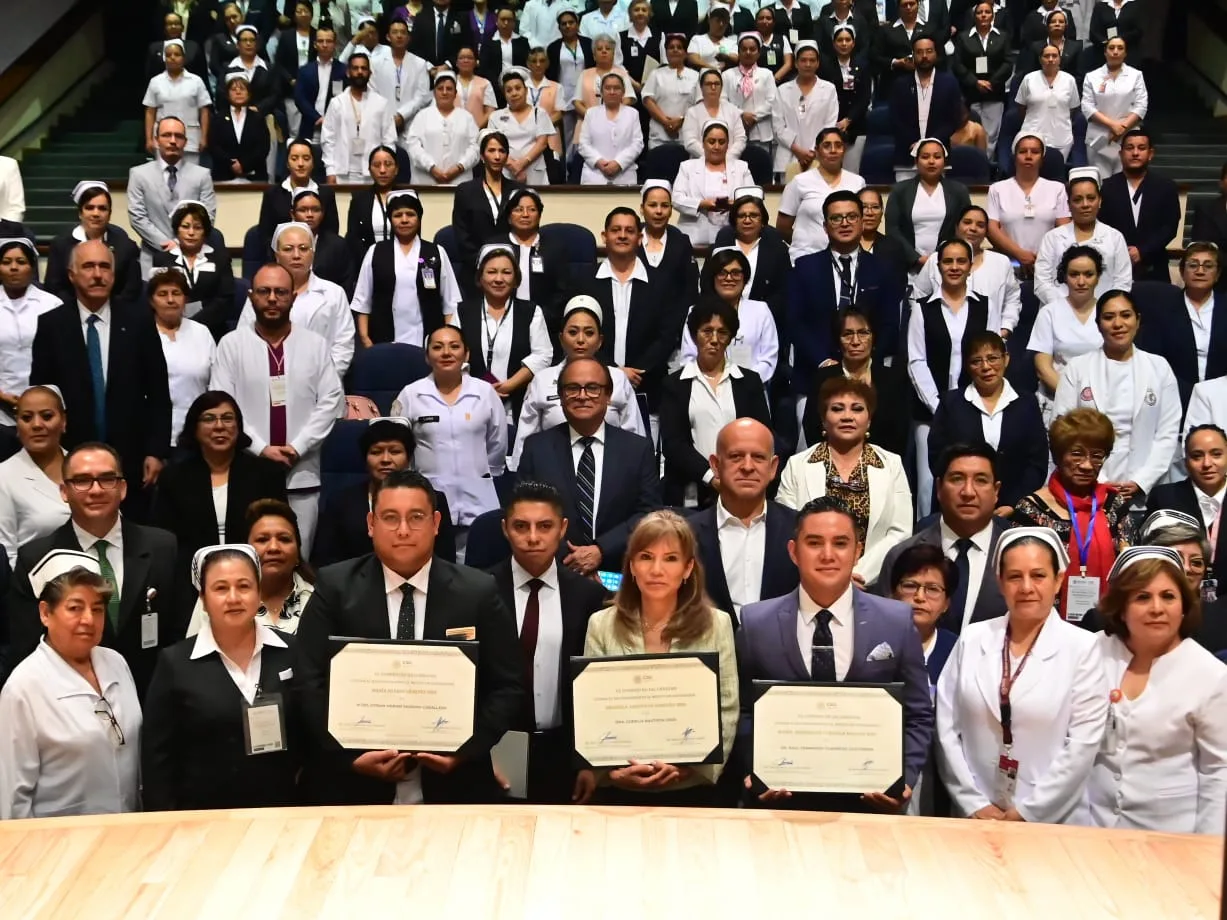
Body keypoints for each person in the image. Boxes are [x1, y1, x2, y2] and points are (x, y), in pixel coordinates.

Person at [297, 468, 523, 804]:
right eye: (390, 518)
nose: (403, 530)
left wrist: (465, 749)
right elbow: (308, 681)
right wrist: (350, 757)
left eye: (415, 517)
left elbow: (508, 685)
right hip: (354, 786)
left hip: (455, 787)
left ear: (435, 524)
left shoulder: (476, 591)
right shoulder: (335, 587)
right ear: (371, 524)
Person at [737, 496, 933, 812]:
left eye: (840, 543)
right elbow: (745, 711)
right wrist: (754, 770)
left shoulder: (895, 621)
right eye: (814, 543)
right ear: (793, 551)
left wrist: (904, 777)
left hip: (871, 804)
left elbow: (918, 713)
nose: (828, 555)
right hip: (781, 804)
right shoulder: (756, 622)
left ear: (858, 550)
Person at [935, 526, 1109, 822]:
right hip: (976, 817)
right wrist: (972, 802)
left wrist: (1028, 813)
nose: (1026, 587)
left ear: (1058, 580)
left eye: (1038, 575)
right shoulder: (973, 638)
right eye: (1015, 576)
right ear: (1000, 583)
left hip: (1054, 820)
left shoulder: (1083, 647)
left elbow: (1082, 745)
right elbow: (946, 728)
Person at [579, 510, 738, 806]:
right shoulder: (600, 624)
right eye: (646, 557)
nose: (656, 569)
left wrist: (691, 768)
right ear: (632, 567)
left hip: (691, 790)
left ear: (688, 568)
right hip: (620, 791)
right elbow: (591, 712)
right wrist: (611, 771)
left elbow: (727, 708)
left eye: (671, 559)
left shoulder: (718, 624)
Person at [5, 443, 180, 697]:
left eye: (107, 479)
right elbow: (27, 648)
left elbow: (177, 633)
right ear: (64, 491)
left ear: (122, 488)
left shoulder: (163, 546)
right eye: (82, 481)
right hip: (69, 704)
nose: (95, 490)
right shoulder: (36, 558)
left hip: (154, 698)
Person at [142, 543, 304, 810]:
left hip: (282, 814)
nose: (233, 597)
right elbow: (157, 760)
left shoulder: (292, 652)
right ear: (203, 599)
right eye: (220, 588)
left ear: (258, 592)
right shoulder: (175, 663)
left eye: (244, 586)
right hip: (203, 820)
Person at [1084, 545, 1227, 832]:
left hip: (1172, 839)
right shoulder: (1090, 653)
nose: (1157, 608)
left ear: (1184, 606)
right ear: (1121, 608)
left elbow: (1218, 771)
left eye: (1168, 596)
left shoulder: (1210, 675)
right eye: (1142, 597)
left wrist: (1207, 849)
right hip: (1090, 831)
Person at [30, 240, 173, 519]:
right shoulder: (51, 325)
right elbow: (42, 396)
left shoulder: (139, 322)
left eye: (104, 266)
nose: (98, 274)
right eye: (88, 266)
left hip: (130, 459)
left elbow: (158, 392)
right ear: (72, 275)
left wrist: (156, 451)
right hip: (70, 458)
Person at [487, 480, 609, 804]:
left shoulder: (588, 596)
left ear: (562, 528)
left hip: (565, 749)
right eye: (520, 526)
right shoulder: (478, 591)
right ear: (504, 528)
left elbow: (595, 685)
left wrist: (589, 759)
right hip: (498, 747)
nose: (532, 537)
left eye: (544, 526)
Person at [210, 264, 345, 557]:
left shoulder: (315, 345)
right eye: (264, 291)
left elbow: (332, 400)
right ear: (251, 297)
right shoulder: (231, 345)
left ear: (293, 297)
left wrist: (297, 447)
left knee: (298, 560)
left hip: (302, 474)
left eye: (280, 292)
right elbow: (223, 405)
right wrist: (260, 448)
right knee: (248, 559)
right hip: (247, 471)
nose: (272, 298)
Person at [0, 550, 141, 818]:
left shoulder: (116, 663)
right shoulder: (23, 688)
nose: (88, 619)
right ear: (45, 613)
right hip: (58, 845)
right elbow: (12, 799)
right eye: (75, 608)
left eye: (97, 609)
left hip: (127, 832)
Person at [517, 357, 661, 575]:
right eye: (572, 388)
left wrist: (601, 550)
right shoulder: (537, 448)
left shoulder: (637, 449)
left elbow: (648, 513)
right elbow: (524, 510)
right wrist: (571, 556)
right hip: (555, 569)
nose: (582, 396)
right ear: (561, 397)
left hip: (619, 572)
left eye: (592, 388)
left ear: (608, 396)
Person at [1053, 290, 1181, 510]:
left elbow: (1167, 433)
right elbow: (1061, 429)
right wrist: (1097, 480)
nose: (1118, 323)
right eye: (1109, 317)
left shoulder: (1159, 367)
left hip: (1146, 490)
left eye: (1126, 315)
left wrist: (1142, 481)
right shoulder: (1078, 368)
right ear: (1098, 324)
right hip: (1088, 488)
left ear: (1138, 320)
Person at [777, 378, 912, 585]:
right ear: (823, 419)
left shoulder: (892, 464)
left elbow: (900, 532)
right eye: (837, 409)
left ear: (868, 420)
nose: (847, 416)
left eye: (857, 409)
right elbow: (789, 528)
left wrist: (857, 576)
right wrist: (828, 575)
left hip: (870, 584)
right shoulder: (798, 465)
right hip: (811, 581)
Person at [1010, 409, 1137, 620]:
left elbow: (1130, 571)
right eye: (1077, 454)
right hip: (1045, 625)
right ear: (1059, 455)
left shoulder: (1115, 505)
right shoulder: (1030, 510)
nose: (1087, 465)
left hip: (1110, 625)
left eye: (1097, 456)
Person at [151, 390, 288, 584]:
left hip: (256, 575)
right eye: (208, 419)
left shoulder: (266, 473)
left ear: (238, 426)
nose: (219, 426)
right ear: (194, 429)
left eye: (227, 418)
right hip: (191, 578)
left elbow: (280, 529)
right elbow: (165, 538)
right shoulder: (174, 477)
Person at [391, 325, 506, 552]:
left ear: (466, 354)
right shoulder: (411, 394)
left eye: (454, 346)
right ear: (427, 356)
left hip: (479, 497)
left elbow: (497, 444)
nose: (446, 353)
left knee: (477, 569)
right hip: (428, 497)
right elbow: (399, 448)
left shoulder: (485, 392)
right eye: (437, 347)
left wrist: (481, 474)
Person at [879, 442, 1011, 631]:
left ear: (996, 491)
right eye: (957, 479)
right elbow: (884, 629)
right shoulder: (902, 554)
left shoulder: (1014, 557)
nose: (968, 492)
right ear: (939, 488)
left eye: (981, 480)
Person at [790, 194, 906, 405]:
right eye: (836, 218)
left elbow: (890, 324)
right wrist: (824, 362)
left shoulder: (883, 269)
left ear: (862, 222)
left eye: (852, 217)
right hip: (815, 376)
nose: (844, 223)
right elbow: (796, 323)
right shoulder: (805, 268)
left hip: (868, 378)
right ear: (825, 226)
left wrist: (866, 361)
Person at [907, 238, 994, 515]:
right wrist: (940, 406)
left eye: (961, 261)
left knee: (971, 479)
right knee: (928, 484)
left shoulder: (985, 306)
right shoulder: (922, 308)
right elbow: (916, 360)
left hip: (976, 408)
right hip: (929, 412)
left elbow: (989, 356)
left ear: (970, 267)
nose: (954, 267)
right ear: (938, 265)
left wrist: (967, 405)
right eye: (948, 261)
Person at [510, 295, 644, 471]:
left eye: (589, 333)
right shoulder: (542, 380)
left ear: (600, 341)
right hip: (551, 470)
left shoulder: (618, 379)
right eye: (573, 332)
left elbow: (634, 434)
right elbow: (525, 438)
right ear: (561, 338)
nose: (580, 340)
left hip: (612, 471)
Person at [661, 298, 771, 507]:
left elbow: (762, 434)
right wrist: (712, 477)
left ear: (730, 338)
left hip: (742, 486)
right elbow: (674, 444)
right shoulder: (674, 385)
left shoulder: (749, 382)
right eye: (707, 331)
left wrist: (735, 476)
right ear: (694, 336)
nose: (714, 339)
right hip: (691, 493)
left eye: (722, 332)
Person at [688, 418, 799, 620]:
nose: (747, 466)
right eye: (736, 456)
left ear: (773, 467)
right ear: (715, 465)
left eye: (758, 457)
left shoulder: (800, 530)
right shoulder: (687, 534)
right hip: (708, 647)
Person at [313, 417, 457, 567]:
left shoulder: (434, 499)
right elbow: (325, 561)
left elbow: (445, 561)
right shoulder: (340, 502)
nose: (385, 459)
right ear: (365, 459)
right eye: (376, 452)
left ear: (408, 458)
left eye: (395, 451)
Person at [929, 332, 1047, 512]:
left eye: (993, 358)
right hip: (962, 505)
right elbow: (938, 458)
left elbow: (1036, 462)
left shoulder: (1027, 403)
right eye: (976, 361)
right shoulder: (951, 404)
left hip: (1014, 509)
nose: (986, 367)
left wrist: (1015, 503)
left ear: (1006, 359)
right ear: (967, 366)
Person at [582, 208, 680, 411]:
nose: (623, 235)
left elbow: (667, 335)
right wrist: (614, 371)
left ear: (639, 238)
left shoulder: (662, 283)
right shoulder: (585, 282)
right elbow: (580, 333)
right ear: (604, 236)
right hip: (593, 384)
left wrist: (637, 372)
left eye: (629, 230)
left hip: (647, 386)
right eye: (616, 230)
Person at [237, 222, 355, 376]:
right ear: (277, 255)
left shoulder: (334, 293)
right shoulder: (261, 291)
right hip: (267, 380)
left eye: (304, 248)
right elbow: (244, 340)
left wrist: (324, 380)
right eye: (288, 249)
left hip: (322, 383)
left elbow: (343, 345)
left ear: (313, 253)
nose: (296, 255)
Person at [453, 245, 553, 421]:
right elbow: (454, 355)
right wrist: (481, 389)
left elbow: (543, 354)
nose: (499, 279)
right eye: (491, 272)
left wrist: (509, 386)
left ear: (516, 279)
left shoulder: (530, 311)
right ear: (480, 278)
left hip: (518, 403)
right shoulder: (462, 311)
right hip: (470, 401)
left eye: (506, 272)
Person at [352, 190, 461, 348]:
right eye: (398, 215)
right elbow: (363, 301)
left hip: (429, 342)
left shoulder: (436, 252)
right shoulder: (376, 251)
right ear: (390, 219)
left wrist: (447, 341)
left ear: (419, 218)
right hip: (383, 340)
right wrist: (365, 339)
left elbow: (450, 303)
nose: (404, 220)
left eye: (410, 214)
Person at [800, 306, 910, 457]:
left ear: (874, 337)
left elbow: (900, 433)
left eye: (864, 333)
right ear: (838, 340)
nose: (856, 341)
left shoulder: (893, 379)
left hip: (882, 464)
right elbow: (812, 428)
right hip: (831, 461)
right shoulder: (824, 378)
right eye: (847, 334)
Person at [911, 205, 1022, 339]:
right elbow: (918, 295)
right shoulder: (937, 258)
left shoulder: (1000, 262)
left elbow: (1012, 299)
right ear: (957, 227)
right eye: (967, 222)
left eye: (980, 225)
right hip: (941, 342)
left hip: (989, 344)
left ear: (986, 232)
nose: (973, 228)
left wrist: (1005, 329)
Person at [126, 116, 217, 274]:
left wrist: (182, 243)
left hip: (193, 259)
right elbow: (137, 216)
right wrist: (169, 244)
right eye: (167, 135)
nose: (173, 141)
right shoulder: (139, 174)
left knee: (193, 300)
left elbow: (208, 216)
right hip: (153, 258)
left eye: (179, 136)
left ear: (186, 142)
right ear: (156, 140)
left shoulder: (202, 175)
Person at [1028, 245, 1108, 419]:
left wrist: (1092, 401)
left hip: (1104, 402)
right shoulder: (1049, 312)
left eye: (1088, 274)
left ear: (1098, 277)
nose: (1081, 282)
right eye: (1074, 274)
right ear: (1065, 276)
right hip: (1058, 400)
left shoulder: (1108, 313)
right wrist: (1075, 399)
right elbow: (1043, 368)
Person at [679, 249, 779, 386]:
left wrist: (742, 385)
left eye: (736, 273)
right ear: (713, 278)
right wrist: (714, 383)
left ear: (745, 278)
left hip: (750, 391)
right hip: (706, 390)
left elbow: (768, 359)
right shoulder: (696, 311)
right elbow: (688, 358)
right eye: (722, 273)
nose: (729, 278)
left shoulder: (761, 311)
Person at [1143, 243, 1226, 407]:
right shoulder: (1161, 311)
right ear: (1182, 272)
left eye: (1208, 266)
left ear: (1217, 274)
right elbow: (1154, 361)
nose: (1200, 271)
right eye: (1193, 265)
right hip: (1174, 396)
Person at [1034, 168, 1133, 305]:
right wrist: (1065, 308)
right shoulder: (1052, 238)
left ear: (1100, 201)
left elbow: (1123, 282)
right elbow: (1042, 282)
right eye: (1078, 199)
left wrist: (1101, 309)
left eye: (1091, 198)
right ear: (1069, 205)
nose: (1085, 205)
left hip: (1103, 316)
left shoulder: (1114, 238)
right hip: (1057, 314)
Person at [0, 240, 62, 452]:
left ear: (32, 267)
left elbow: (62, 360)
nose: (14, 267)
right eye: (6, 262)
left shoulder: (51, 304)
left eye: (20, 261)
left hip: (45, 411)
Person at [1098, 128, 1182, 283]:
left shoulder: (1165, 186)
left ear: (1150, 154)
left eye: (1141, 148)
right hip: (1114, 267)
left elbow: (1169, 227)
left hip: (1154, 266)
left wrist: (1142, 251)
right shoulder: (1107, 187)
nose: (1135, 153)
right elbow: (1102, 225)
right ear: (1121, 154)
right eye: (1129, 148)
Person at [0, 387, 71, 567]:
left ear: (63, 421)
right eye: (26, 418)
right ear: (17, 425)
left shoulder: (87, 467)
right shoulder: (4, 476)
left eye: (47, 416)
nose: (37, 425)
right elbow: (6, 554)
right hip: (33, 586)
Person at [147, 269, 216, 452]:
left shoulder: (202, 332)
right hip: (152, 437)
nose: (170, 300)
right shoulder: (141, 333)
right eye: (162, 294)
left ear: (185, 299)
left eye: (176, 293)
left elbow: (215, 385)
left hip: (198, 434)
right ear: (151, 301)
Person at [986, 134, 1071, 277]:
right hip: (1008, 265)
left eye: (1035, 152)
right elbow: (992, 228)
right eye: (1023, 151)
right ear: (1014, 156)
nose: (1029, 156)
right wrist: (1019, 254)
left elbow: (1064, 230)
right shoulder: (997, 189)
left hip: (1047, 266)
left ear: (1042, 158)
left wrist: (1041, 258)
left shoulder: (1057, 189)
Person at [44, 182, 141, 306]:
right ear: (80, 213)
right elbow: (54, 289)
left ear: (109, 214)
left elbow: (131, 290)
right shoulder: (61, 245)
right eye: (89, 208)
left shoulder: (125, 245)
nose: (96, 214)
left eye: (102, 208)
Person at [776, 127, 866, 261]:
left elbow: (859, 223)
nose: (833, 150)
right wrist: (806, 243)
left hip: (845, 258)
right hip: (805, 256)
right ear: (817, 151)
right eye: (826, 146)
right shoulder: (800, 182)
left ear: (844, 150)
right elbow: (783, 227)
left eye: (838, 145)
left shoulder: (857, 182)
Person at [884, 139, 972, 274]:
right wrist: (916, 259)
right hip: (907, 266)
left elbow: (963, 229)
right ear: (916, 161)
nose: (931, 161)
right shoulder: (900, 190)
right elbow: (893, 230)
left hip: (948, 266)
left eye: (937, 157)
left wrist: (943, 258)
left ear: (944, 162)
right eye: (925, 157)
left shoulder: (959, 191)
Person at [150, 201, 236, 340]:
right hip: (172, 329)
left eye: (197, 228)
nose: (191, 233)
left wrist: (194, 324)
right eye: (185, 227)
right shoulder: (162, 259)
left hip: (212, 330)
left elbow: (225, 300)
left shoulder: (220, 258)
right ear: (177, 229)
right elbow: (160, 297)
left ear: (205, 232)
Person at [1145, 425, 1227, 570]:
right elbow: (1150, 557)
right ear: (1186, 462)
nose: (1207, 464)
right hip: (1179, 588)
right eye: (1197, 456)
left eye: (1216, 454)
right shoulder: (1164, 498)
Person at [450, 132, 522, 293]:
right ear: (482, 156)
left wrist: (506, 266)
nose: (497, 156)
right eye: (491, 151)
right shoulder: (465, 191)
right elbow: (462, 235)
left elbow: (524, 232)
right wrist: (485, 265)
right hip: (474, 272)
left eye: (502, 151)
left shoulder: (518, 190)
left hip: (510, 272)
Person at [497, 188, 571, 335]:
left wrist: (541, 318)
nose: (525, 214)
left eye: (532, 209)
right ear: (509, 216)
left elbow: (562, 291)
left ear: (539, 215)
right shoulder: (496, 247)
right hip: (500, 322)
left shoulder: (555, 248)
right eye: (518, 209)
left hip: (546, 324)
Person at [672, 121, 753, 247]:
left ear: (728, 145)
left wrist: (736, 204)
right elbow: (676, 199)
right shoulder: (687, 167)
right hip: (694, 237)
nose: (716, 146)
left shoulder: (741, 168)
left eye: (721, 142)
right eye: (711, 141)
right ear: (703, 143)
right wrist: (701, 204)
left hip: (733, 236)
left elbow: (752, 199)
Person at [889, 543, 958, 688]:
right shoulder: (871, 644)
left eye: (933, 589)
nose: (920, 597)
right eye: (909, 586)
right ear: (893, 595)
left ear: (946, 604)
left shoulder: (957, 650)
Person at [322, 52, 397, 184]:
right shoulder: (337, 103)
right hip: (342, 173)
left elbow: (389, 139)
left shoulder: (381, 103)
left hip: (373, 173)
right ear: (348, 72)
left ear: (370, 73)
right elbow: (328, 139)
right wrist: (330, 170)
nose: (360, 72)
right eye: (355, 68)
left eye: (364, 68)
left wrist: (385, 167)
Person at [1081, 36, 1147, 181]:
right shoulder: (1092, 76)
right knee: (1100, 183)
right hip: (1099, 137)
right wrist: (1112, 125)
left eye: (1120, 48)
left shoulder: (1136, 75)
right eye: (1111, 48)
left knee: (1126, 182)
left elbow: (1141, 106)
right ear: (1105, 52)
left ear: (1125, 53)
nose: (1115, 52)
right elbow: (1087, 107)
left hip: (1128, 137)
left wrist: (1122, 128)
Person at [950, 1, 1012, 154]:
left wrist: (991, 82)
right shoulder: (964, 37)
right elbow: (958, 64)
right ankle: (972, 162)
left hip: (994, 92)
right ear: (974, 16)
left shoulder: (1002, 37)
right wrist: (975, 82)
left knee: (990, 136)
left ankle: (985, 166)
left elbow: (1008, 63)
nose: (983, 15)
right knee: (971, 134)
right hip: (971, 93)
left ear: (993, 15)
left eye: (987, 12)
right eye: (979, 12)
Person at [257, 141, 341, 252]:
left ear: (313, 163)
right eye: (294, 158)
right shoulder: (273, 194)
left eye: (306, 158)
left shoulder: (326, 194)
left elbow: (331, 233)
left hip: (319, 258)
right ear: (287, 163)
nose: (300, 163)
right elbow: (265, 235)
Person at [889, 36, 962, 162]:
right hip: (906, 154)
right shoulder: (900, 84)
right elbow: (895, 119)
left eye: (929, 51)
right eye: (919, 52)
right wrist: (914, 144)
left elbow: (953, 119)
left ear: (936, 54)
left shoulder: (949, 83)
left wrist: (930, 144)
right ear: (913, 55)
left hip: (939, 155)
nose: (924, 56)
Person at [143, 40, 213, 166]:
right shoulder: (155, 81)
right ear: (164, 58)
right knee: (164, 177)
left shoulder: (196, 81)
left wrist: (203, 137)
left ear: (184, 58)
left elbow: (204, 110)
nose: (173, 58)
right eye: (169, 55)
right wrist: (149, 138)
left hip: (190, 137)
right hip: (163, 139)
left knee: (190, 178)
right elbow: (150, 112)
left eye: (177, 54)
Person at [405, 70, 481, 186]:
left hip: (460, 181)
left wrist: (459, 167)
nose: (444, 92)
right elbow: (413, 145)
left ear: (455, 93)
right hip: (426, 182)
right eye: (440, 88)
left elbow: (475, 147)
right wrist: (431, 167)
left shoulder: (467, 117)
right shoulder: (422, 116)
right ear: (434, 93)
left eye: (449, 89)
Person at [1015, 43, 1081, 162]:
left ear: (1060, 59)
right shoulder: (1029, 79)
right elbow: (1021, 106)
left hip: (1061, 137)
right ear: (1040, 59)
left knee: (1055, 175)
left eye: (1054, 56)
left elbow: (1073, 109)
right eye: (1047, 56)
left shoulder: (1069, 80)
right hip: (1032, 136)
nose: (1051, 59)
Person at [721, 33, 778, 166]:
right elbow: (723, 101)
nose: (748, 52)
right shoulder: (727, 75)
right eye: (744, 49)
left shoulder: (767, 74)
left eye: (752, 49)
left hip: (761, 130)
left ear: (758, 53)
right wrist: (741, 115)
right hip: (735, 128)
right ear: (738, 52)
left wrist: (753, 117)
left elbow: (772, 101)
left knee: (760, 168)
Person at [488, 70, 553, 185]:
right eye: (509, 90)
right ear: (504, 94)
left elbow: (542, 143)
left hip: (534, 171)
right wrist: (513, 166)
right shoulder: (495, 117)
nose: (514, 93)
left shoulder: (539, 113)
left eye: (518, 88)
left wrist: (522, 164)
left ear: (526, 90)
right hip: (506, 171)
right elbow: (494, 145)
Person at [577, 72, 643, 185]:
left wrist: (618, 163)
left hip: (624, 174)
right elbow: (583, 144)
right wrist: (599, 162)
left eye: (616, 88)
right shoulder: (591, 113)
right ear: (601, 92)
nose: (612, 92)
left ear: (623, 91)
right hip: (594, 175)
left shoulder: (632, 114)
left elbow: (637, 144)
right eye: (608, 88)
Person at [821, 24, 870, 174]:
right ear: (834, 43)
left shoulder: (863, 65)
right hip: (830, 125)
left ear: (853, 43)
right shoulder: (824, 66)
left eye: (847, 40)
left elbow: (865, 97)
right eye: (840, 40)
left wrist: (849, 120)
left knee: (851, 172)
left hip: (855, 127)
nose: (844, 43)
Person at [371, 18, 432, 136]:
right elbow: (372, 93)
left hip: (410, 124)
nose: (399, 36)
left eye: (403, 32)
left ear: (408, 38)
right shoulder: (375, 63)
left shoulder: (420, 64)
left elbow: (422, 96)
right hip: (382, 122)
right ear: (388, 37)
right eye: (395, 32)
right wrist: (389, 118)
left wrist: (402, 115)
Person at [287, 188, 352, 294]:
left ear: (322, 213)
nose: (309, 215)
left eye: (316, 210)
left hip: (329, 302)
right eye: (303, 210)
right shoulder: (281, 242)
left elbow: (346, 283)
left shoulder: (337, 245)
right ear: (292, 214)